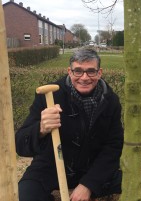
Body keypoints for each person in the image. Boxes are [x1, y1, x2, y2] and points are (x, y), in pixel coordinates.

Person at [15, 49, 124, 201]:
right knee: (25, 195)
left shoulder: (110, 100)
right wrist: (41, 128)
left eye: (91, 71)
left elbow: (113, 146)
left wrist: (88, 184)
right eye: (78, 71)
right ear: (69, 72)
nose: (84, 78)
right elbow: (20, 145)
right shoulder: (49, 97)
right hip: (50, 167)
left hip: (91, 168)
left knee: (128, 182)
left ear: (99, 73)